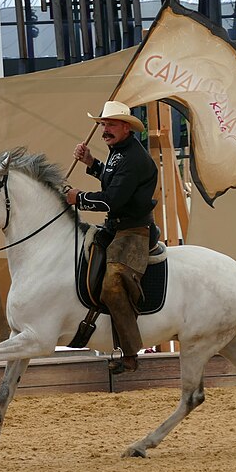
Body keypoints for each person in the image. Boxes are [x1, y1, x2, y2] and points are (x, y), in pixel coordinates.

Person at [65, 101, 158, 374]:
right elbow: (110, 177)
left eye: (111, 125)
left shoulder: (135, 159)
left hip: (133, 232)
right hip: (115, 228)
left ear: (126, 128)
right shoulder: (119, 151)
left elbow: (114, 200)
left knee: (112, 285)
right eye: (104, 124)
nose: (105, 130)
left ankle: (129, 354)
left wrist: (78, 198)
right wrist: (91, 163)